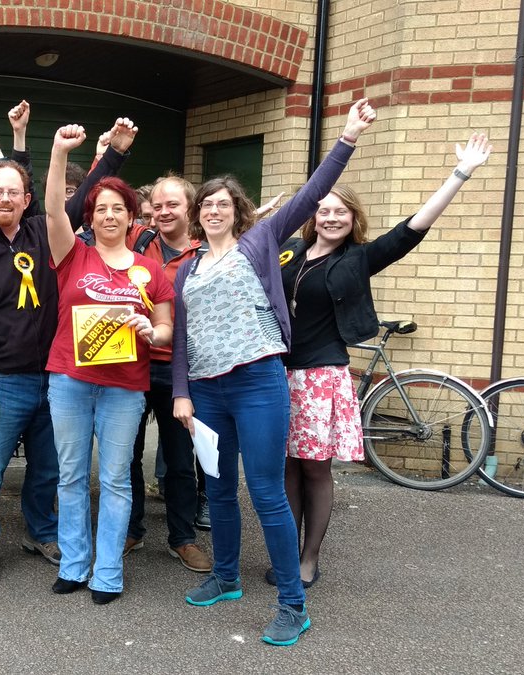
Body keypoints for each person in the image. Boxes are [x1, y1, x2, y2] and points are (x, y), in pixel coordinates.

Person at [171, 98, 377, 646]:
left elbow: (312, 193)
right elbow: (183, 336)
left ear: (238, 211)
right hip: (207, 392)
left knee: (265, 492)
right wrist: (181, 393)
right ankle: (226, 577)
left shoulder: (260, 241)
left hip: (258, 383)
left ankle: (292, 603)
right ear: (197, 215)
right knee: (218, 489)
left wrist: (347, 138)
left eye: (223, 203)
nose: (214, 210)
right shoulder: (188, 269)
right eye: (206, 205)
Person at [271, 133, 492, 589]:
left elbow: (413, 228)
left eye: (341, 212)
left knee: (314, 467)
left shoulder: (358, 258)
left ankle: (309, 559)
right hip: (278, 374)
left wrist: (460, 173)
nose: (331, 217)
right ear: (312, 215)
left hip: (319, 377)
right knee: (286, 467)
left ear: (354, 218)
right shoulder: (291, 250)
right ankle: (287, 554)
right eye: (324, 210)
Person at [0, 119, 136, 589]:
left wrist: (113, 153)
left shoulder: (44, 231)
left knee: (48, 469)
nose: (5, 199)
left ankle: (41, 532)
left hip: (55, 380)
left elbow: (84, 195)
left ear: (27, 199)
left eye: (14, 192)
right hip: (2, 383)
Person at [44, 121, 175, 605]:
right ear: (91, 218)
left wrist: (151, 332)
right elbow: (52, 209)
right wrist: (59, 152)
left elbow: (166, 327)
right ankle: (74, 564)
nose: (109, 215)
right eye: (101, 209)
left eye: (118, 208)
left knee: (117, 479)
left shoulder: (150, 270)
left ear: (131, 216)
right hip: (70, 380)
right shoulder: (72, 254)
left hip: (125, 387)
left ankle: (108, 572)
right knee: (71, 476)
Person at [121, 174, 211, 573]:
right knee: (127, 454)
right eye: (157, 206)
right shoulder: (138, 241)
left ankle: (182, 538)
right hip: (132, 363)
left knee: (179, 459)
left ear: (190, 207)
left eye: (172, 204)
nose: (163, 212)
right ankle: (132, 529)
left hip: (180, 370)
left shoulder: (207, 250)